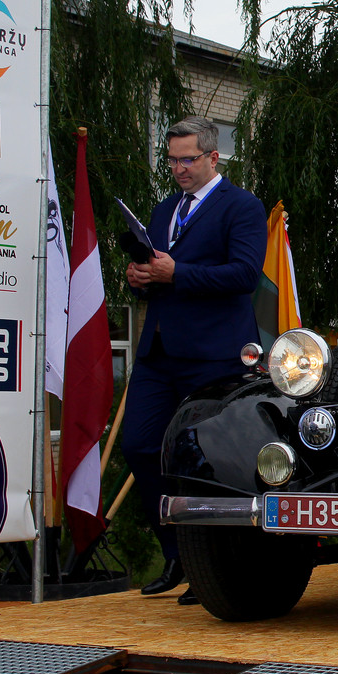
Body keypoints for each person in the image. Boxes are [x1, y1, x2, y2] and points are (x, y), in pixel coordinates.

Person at [122, 116, 267, 605]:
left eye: (188, 159)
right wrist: (139, 277)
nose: (179, 169)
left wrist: (176, 272)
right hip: (159, 352)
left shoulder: (242, 207)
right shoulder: (165, 210)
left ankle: (215, 567)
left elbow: (244, 275)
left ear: (213, 157)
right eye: (172, 160)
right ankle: (176, 554)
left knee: (207, 460)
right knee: (141, 446)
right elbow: (157, 272)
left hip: (214, 356)